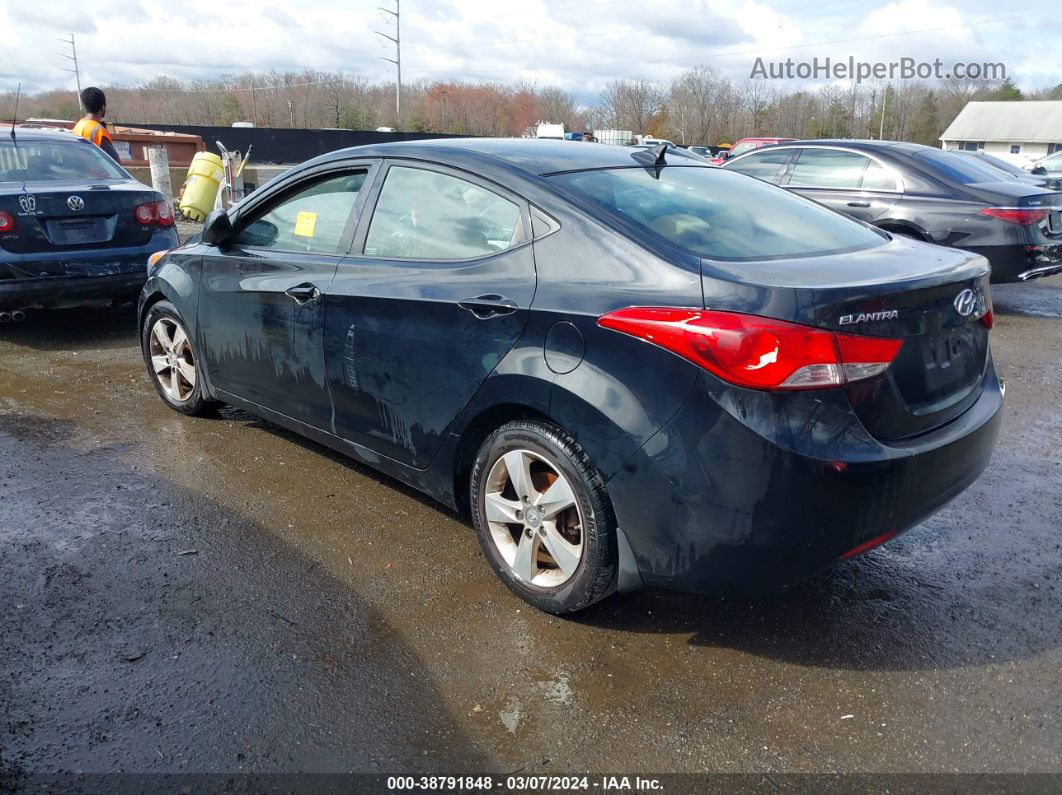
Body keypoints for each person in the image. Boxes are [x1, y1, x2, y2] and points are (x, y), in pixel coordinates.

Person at [72, 87, 121, 162]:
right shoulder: (98, 131)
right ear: (103, 106)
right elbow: (115, 163)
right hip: (93, 173)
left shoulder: (78, 126)